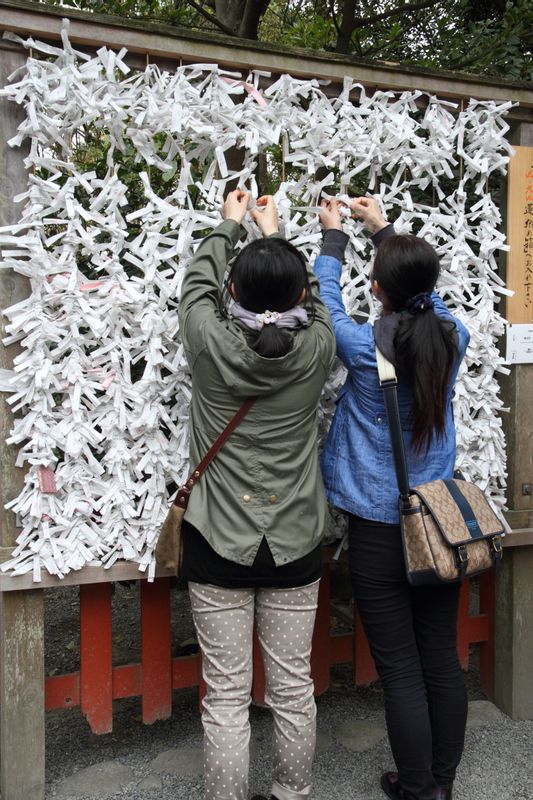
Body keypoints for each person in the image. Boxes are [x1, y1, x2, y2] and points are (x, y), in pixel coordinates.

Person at [178, 189, 336, 800]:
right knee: (294, 687)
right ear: (297, 294)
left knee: (226, 692)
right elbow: (316, 303)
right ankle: (291, 794)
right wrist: (276, 237)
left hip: (218, 536)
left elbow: (196, 288)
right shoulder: (318, 349)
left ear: (233, 295)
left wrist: (233, 225)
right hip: (295, 539)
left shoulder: (210, 345)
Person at [315, 196, 470, 800]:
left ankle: (416, 788)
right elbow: (421, 289)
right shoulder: (452, 334)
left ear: (375, 289)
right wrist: (385, 230)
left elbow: (328, 310)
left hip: (381, 529)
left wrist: (334, 242)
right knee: (439, 657)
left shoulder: (362, 347)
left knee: (401, 666)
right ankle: (442, 784)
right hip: (439, 522)